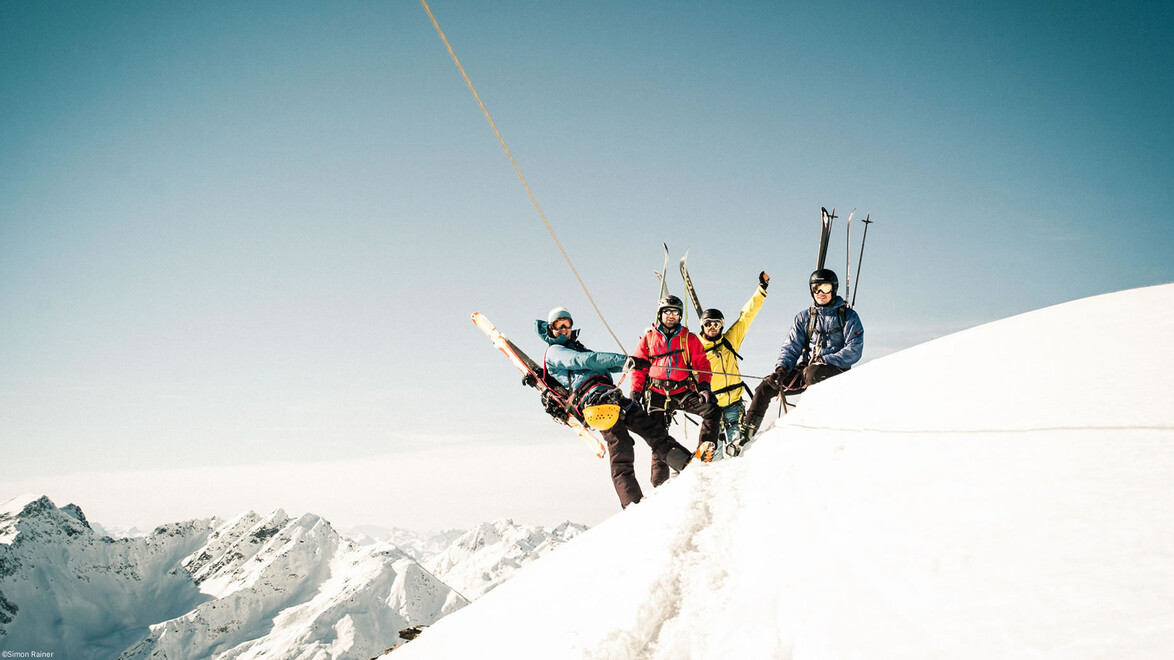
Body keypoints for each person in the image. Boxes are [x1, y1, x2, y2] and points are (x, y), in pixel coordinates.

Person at [537, 307, 694, 508]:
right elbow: (586, 361)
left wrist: (637, 364)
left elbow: (600, 364)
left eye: (568, 324)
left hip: (611, 395)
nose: (564, 329)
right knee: (621, 450)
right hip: (594, 402)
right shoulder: (555, 351)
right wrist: (623, 361)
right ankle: (632, 503)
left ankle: (686, 464)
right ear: (551, 328)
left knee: (653, 429)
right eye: (559, 325)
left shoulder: (578, 347)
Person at [740, 269, 864, 442]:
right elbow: (791, 346)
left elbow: (854, 349)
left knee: (813, 374)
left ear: (834, 289)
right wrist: (782, 368)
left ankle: (816, 427)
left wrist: (825, 359)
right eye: (816, 288)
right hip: (806, 370)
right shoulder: (804, 318)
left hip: (835, 371)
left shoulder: (848, 316)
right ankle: (745, 436)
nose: (821, 293)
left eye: (826, 288)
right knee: (765, 387)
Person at [629, 295, 723, 486]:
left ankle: (704, 452)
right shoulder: (649, 339)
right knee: (658, 438)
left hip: (681, 391)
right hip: (657, 392)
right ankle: (659, 485)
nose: (671, 316)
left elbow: (703, 365)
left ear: (680, 316)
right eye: (667, 312)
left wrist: (704, 387)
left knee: (712, 410)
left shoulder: (689, 339)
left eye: (675, 312)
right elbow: (638, 368)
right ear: (660, 314)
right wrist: (635, 392)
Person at [698, 271, 769, 458]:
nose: (713, 328)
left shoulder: (729, 341)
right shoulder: (697, 348)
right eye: (708, 324)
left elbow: (746, 317)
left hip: (734, 406)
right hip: (712, 408)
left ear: (722, 326)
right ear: (702, 326)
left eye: (717, 324)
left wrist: (761, 290)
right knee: (716, 454)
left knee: (739, 449)